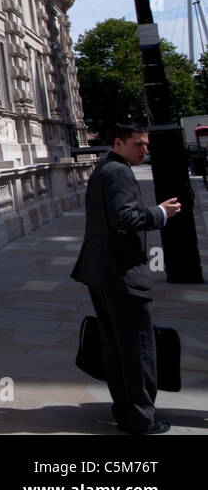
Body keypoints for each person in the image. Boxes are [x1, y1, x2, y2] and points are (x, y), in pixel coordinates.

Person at [72, 125, 181, 435]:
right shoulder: (118, 172)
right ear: (118, 142)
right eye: (138, 144)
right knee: (138, 350)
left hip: (100, 272)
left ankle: (125, 412)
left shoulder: (104, 169)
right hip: (120, 274)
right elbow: (123, 217)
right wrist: (159, 213)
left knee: (117, 347)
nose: (144, 150)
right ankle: (141, 419)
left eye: (146, 145)